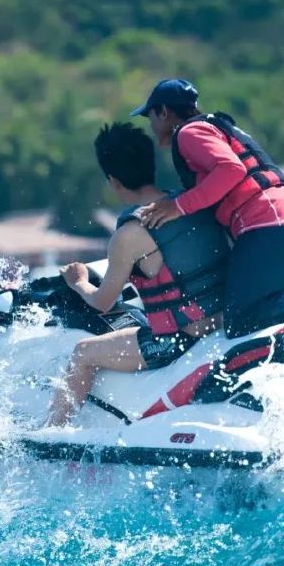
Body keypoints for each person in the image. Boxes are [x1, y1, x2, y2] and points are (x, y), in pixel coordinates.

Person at [131, 78, 284, 337]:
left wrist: (178, 206)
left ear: (164, 112)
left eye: (151, 117)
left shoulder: (189, 133)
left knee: (243, 318)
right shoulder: (218, 128)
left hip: (264, 220)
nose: (151, 126)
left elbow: (231, 169)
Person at [45, 123, 229, 427]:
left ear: (113, 181)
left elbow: (102, 302)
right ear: (151, 164)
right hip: (217, 324)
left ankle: (51, 434)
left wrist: (78, 283)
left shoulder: (130, 234)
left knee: (82, 353)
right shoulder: (191, 204)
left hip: (178, 341)